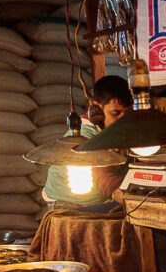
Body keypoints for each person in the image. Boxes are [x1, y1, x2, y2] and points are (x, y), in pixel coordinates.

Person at [42, 75, 132, 209]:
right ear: (97, 107)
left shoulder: (118, 130)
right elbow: (102, 177)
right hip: (66, 203)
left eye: (127, 113)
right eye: (115, 113)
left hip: (97, 200)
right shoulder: (84, 135)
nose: (123, 120)